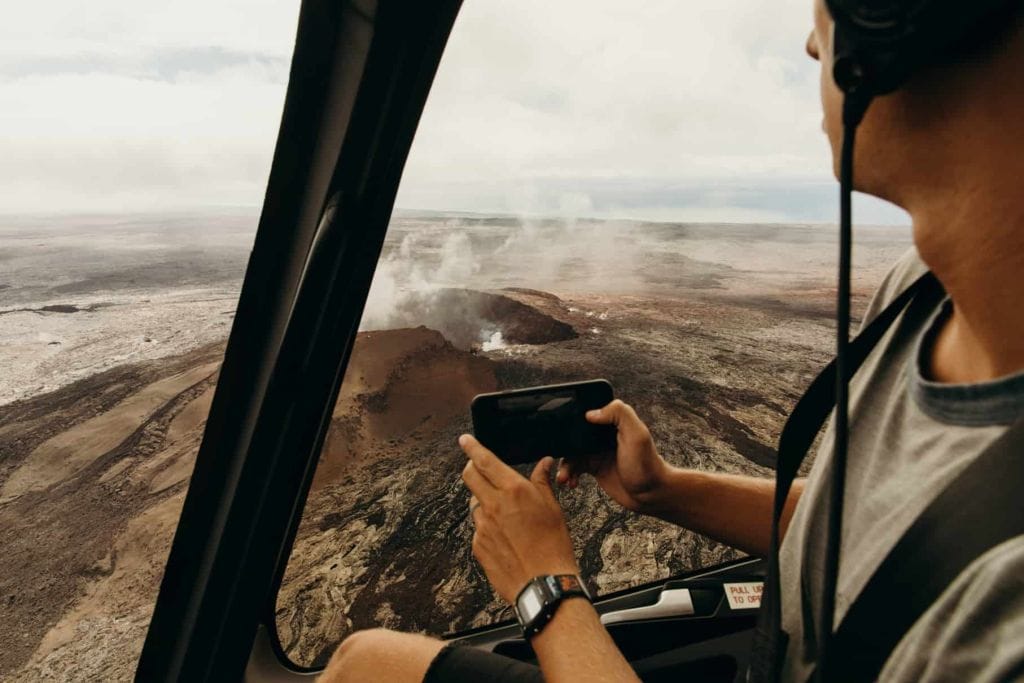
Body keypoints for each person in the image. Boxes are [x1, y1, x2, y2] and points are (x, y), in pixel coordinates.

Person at [319, 0, 1024, 680]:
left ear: (899, 17)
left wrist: (545, 587)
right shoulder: (916, 294)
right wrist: (663, 490)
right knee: (365, 665)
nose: (815, 43)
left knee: (364, 665)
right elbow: (869, 526)